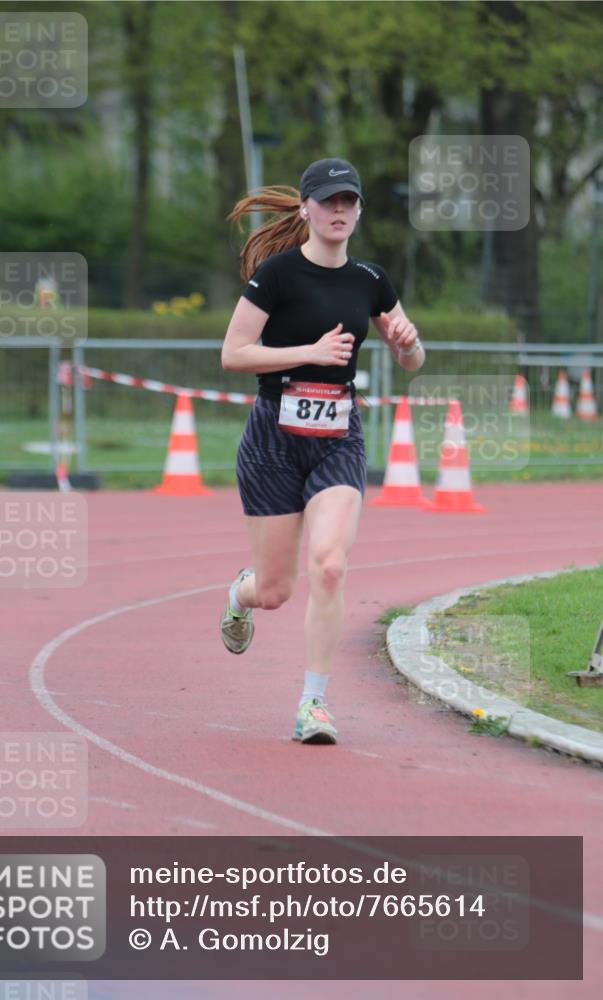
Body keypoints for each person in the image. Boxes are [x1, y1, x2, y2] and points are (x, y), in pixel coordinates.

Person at [219, 157, 425, 745]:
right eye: (329, 201)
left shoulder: (370, 279)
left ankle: (313, 705)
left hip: (338, 437)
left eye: (349, 202)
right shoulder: (277, 276)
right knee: (276, 591)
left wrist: (409, 346)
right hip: (272, 443)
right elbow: (234, 354)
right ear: (306, 208)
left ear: (358, 211)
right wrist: (307, 350)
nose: (340, 211)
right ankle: (241, 592)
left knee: (331, 565)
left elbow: (412, 359)